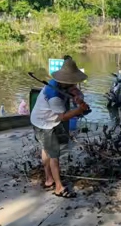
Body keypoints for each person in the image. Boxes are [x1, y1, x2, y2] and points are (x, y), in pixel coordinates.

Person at [30, 58, 89, 198]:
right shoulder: (54, 96)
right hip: (44, 124)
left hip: (46, 120)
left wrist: (78, 97)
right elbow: (63, 117)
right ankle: (58, 187)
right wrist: (79, 110)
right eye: (72, 80)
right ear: (65, 80)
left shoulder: (62, 84)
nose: (74, 83)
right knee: (54, 156)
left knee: (46, 148)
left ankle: (49, 179)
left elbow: (75, 91)